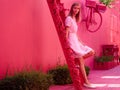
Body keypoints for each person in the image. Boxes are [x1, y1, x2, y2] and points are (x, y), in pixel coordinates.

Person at [65, 2, 96, 88]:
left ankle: (77, 61)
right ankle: (86, 82)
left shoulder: (74, 19)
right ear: (72, 8)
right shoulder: (69, 18)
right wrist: (66, 43)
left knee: (92, 52)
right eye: (75, 8)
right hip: (71, 41)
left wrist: (80, 41)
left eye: (78, 9)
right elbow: (67, 31)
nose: (76, 10)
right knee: (81, 61)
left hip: (76, 41)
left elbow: (75, 33)